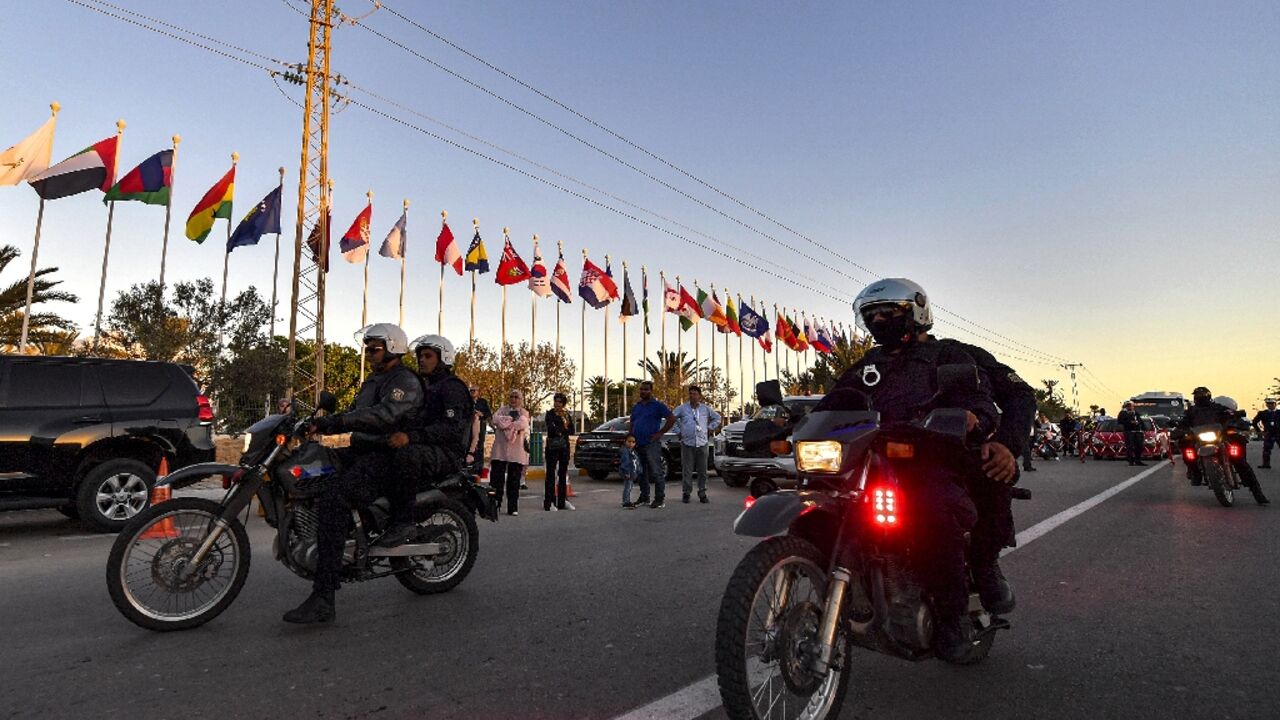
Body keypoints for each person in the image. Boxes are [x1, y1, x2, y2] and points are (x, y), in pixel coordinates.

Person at [813, 278, 1018, 662]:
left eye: (888, 311)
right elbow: (833, 403)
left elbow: (994, 398)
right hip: (876, 460)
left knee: (931, 509)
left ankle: (955, 612)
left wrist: (1002, 437)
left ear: (917, 312)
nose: (879, 319)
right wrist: (786, 424)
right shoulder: (867, 365)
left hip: (939, 457)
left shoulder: (953, 355)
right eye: (871, 314)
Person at [283, 323, 423, 624]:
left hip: (386, 455)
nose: (369, 353)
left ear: (393, 348)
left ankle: (324, 597)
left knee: (335, 499)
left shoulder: (405, 381)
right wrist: (319, 422)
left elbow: (382, 415)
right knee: (310, 473)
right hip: (361, 450)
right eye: (368, 348)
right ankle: (329, 541)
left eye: (375, 348)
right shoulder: (373, 380)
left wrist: (337, 423)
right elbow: (356, 413)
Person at [377, 334, 474, 548]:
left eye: (428, 356)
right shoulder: (425, 387)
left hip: (446, 453)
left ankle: (403, 522)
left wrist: (410, 437)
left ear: (443, 358)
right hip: (428, 446)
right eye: (420, 356)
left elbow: (450, 428)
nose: (422, 360)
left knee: (407, 455)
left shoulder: (452, 387)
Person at [1174, 387, 1268, 504]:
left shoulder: (1217, 407)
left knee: (1240, 460)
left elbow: (1229, 414)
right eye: (1197, 395)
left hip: (1219, 437)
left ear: (1208, 396)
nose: (1200, 397)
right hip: (1199, 439)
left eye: (1202, 395)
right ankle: (1195, 472)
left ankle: (1257, 492)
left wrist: (1235, 415)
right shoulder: (1191, 411)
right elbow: (1183, 422)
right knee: (1186, 446)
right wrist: (1178, 430)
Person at [629, 380, 676, 508]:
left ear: (651, 391)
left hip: (651, 444)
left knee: (656, 472)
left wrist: (660, 433)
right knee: (641, 473)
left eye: (646, 389)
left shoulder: (658, 406)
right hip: (638, 444)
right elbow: (632, 422)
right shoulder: (637, 406)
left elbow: (671, 418)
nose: (643, 391)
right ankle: (644, 497)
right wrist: (630, 437)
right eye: (641, 389)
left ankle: (659, 499)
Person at [672, 384, 722, 503]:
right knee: (687, 470)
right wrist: (678, 431)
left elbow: (717, 418)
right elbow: (671, 419)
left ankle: (702, 493)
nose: (692, 396)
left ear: (699, 396)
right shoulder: (682, 408)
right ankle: (686, 493)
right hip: (687, 443)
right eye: (690, 393)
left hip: (702, 443)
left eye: (695, 393)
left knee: (702, 470)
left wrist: (710, 428)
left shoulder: (705, 409)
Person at [490, 389, 531, 515]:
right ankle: (495, 505)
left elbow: (522, 424)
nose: (513, 399)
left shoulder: (523, 412)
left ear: (520, 400)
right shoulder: (502, 410)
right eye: (511, 396)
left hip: (516, 451)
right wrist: (510, 423)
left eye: (516, 397)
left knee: (514, 480)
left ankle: (512, 507)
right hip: (500, 450)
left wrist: (506, 423)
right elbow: (495, 420)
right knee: (497, 480)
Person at [544, 392, 574, 511]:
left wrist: (561, 429)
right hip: (552, 447)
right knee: (551, 474)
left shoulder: (566, 415)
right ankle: (549, 502)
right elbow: (552, 429)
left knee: (563, 474)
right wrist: (562, 430)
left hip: (564, 447)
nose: (557, 404)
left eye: (560, 401)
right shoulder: (550, 414)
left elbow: (571, 429)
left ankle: (562, 500)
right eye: (556, 401)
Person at [464, 385, 493, 476]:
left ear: (478, 392)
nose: (472, 392)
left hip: (480, 425)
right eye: (471, 390)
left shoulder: (482, 402)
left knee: (479, 446)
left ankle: (478, 468)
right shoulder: (466, 401)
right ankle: (469, 466)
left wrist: (481, 414)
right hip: (469, 425)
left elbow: (488, 414)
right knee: (469, 444)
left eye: (474, 391)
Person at [1117, 401, 1146, 467]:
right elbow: (1120, 421)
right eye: (1129, 406)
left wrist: (1143, 428)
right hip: (1129, 431)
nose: (1131, 407)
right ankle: (1131, 460)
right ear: (1127, 406)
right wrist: (1130, 422)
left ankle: (1138, 459)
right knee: (1130, 446)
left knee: (1140, 445)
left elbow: (1140, 420)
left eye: (1132, 406)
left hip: (1138, 431)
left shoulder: (1136, 413)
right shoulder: (1123, 413)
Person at [1253, 398, 1279, 469]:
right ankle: (1266, 464)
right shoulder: (1262, 413)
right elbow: (1254, 422)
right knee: (1266, 450)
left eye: (1272, 404)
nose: (1270, 405)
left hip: (1278, 433)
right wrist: (1259, 431)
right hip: (1268, 433)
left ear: (1275, 404)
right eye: (1269, 404)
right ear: (1266, 405)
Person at [619, 434, 641, 508]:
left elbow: (636, 462)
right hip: (628, 473)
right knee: (627, 487)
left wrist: (639, 470)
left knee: (630, 487)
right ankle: (626, 502)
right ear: (625, 442)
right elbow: (625, 463)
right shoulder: (625, 451)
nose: (631, 444)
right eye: (629, 441)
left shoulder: (633, 452)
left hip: (632, 473)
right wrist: (626, 472)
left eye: (633, 442)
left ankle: (627, 501)